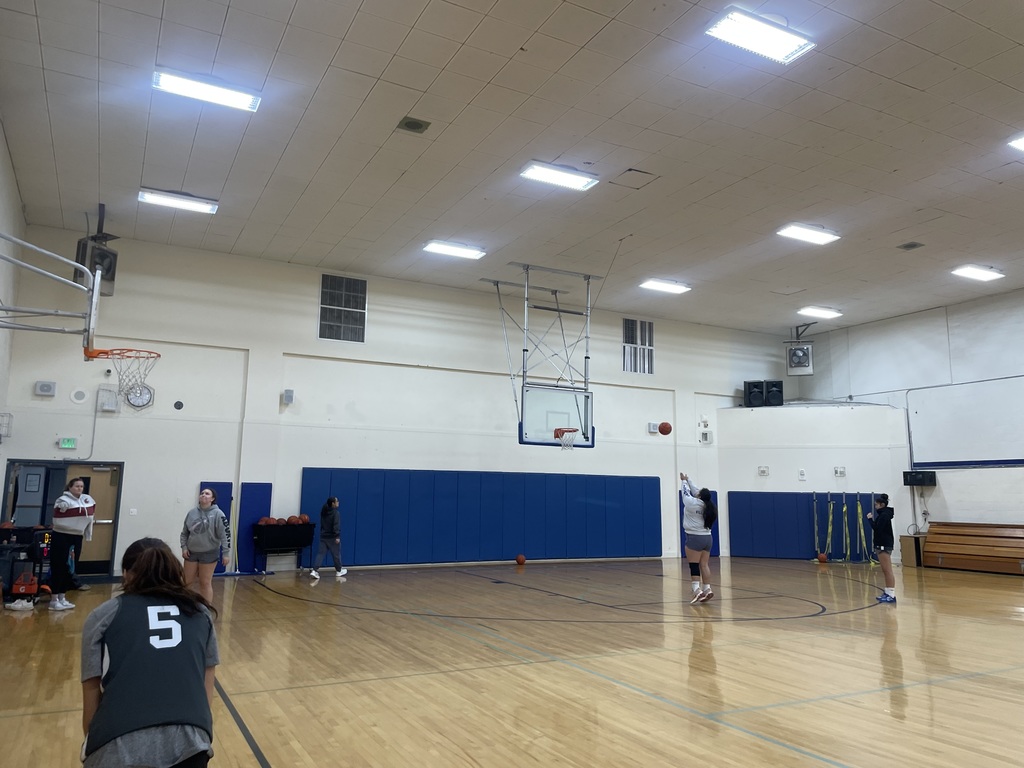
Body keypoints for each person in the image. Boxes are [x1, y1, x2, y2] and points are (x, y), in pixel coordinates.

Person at [81, 537, 219, 767]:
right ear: (173, 570)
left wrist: (93, 744)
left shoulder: (102, 616)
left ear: (126, 573)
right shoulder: (200, 612)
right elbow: (206, 688)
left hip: (118, 745)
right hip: (191, 743)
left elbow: (91, 698)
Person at [51, 477, 95, 611]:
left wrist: (88, 535)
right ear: (69, 487)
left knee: (70, 567)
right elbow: (59, 509)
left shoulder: (88, 500)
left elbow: (90, 519)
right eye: (77, 486)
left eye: (81, 486)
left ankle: (62, 597)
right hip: (61, 536)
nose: (80, 489)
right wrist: (62, 508)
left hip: (77, 537)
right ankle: (54, 599)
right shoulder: (62, 500)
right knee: (59, 566)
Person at [180, 488, 231, 603]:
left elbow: (225, 534)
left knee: (205, 582)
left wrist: (226, 553)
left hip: (209, 552)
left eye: (207, 494)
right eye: (202, 493)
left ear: (212, 499)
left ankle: (206, 609)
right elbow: (184, 533)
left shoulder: (218, 514)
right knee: (186, 582)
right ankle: (185, 606)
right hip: (191, 552)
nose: (203, 495)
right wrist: (184, 547)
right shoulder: (192, 513)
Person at [680, 472, 718, 604]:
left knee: (694, 565)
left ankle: (696, 590)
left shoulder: (691, 503)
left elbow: (685, 493)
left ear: (699, 496)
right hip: (708, 538)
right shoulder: (709, 506)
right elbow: (696, 490)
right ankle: (707, 589)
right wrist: (689, 479)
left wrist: (684, 481)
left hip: (694, 537)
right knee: (704, 564)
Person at [867, 493, 896, 603]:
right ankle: (888, 592)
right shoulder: (883, 514)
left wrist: (870, 519)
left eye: (876, 505)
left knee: (887, 570)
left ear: (882, 504)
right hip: (882, 543)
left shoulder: (884, 515)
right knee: (885, 570)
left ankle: (891, 594)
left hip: (884, 544)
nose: (875, 507)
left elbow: (877, 528)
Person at [310, 496, 347, 579]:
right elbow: (336, 525)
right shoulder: (336, 513)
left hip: (323, 536)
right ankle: (339, 570)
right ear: (333, 503)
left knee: (320, 554)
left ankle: (314, 571)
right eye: (337, 501)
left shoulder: (324, 511)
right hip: (333, 537)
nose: (338, 502)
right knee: (336, 555)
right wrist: (337, 536)